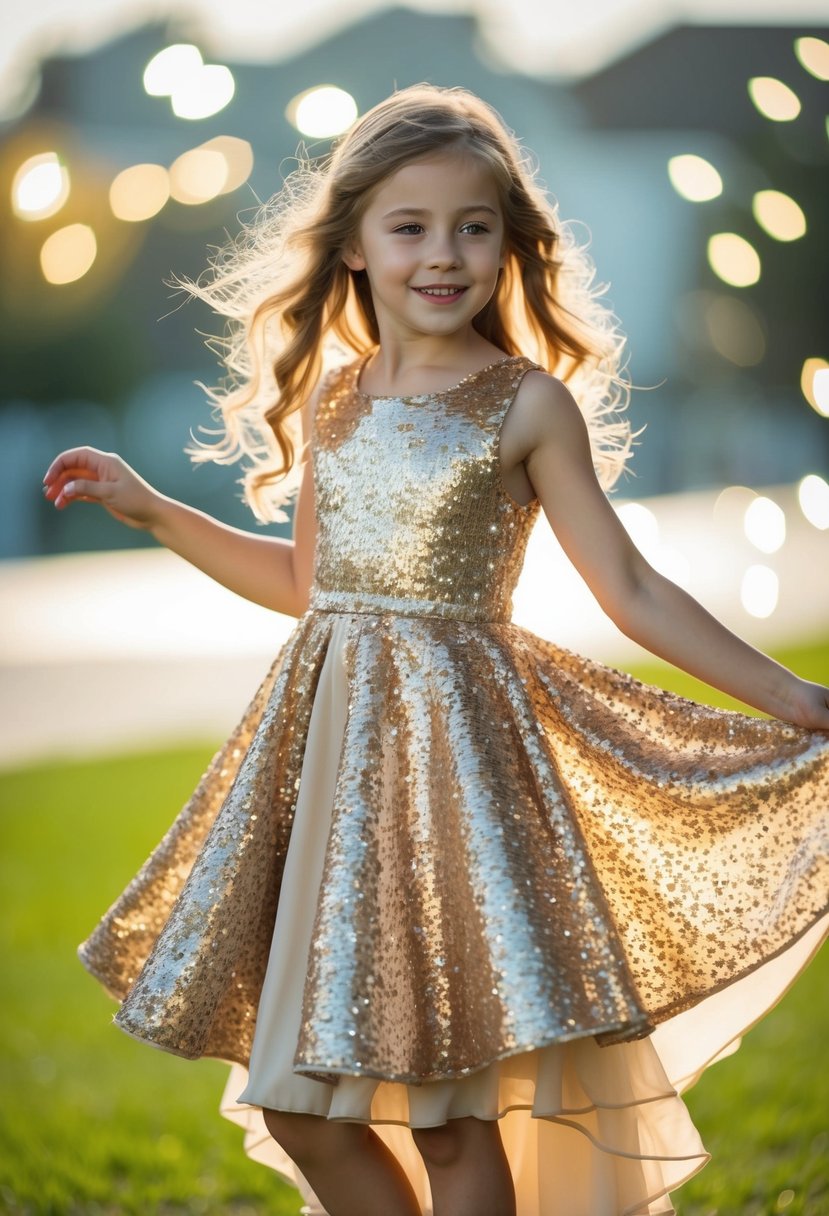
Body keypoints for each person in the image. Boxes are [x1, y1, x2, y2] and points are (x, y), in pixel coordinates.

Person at [43, 84, 828, 1216]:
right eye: (409, 227)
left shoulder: (526, 404)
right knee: (303, 1106)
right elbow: (310, 586)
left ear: (508, 244)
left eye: (472, 226)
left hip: (460, 784)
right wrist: (156, 509)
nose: (443, 253)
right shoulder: (336, 401)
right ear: (354, 246)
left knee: (453, 1120)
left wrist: (787, 692)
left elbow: (632, 586)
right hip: (326, 774)